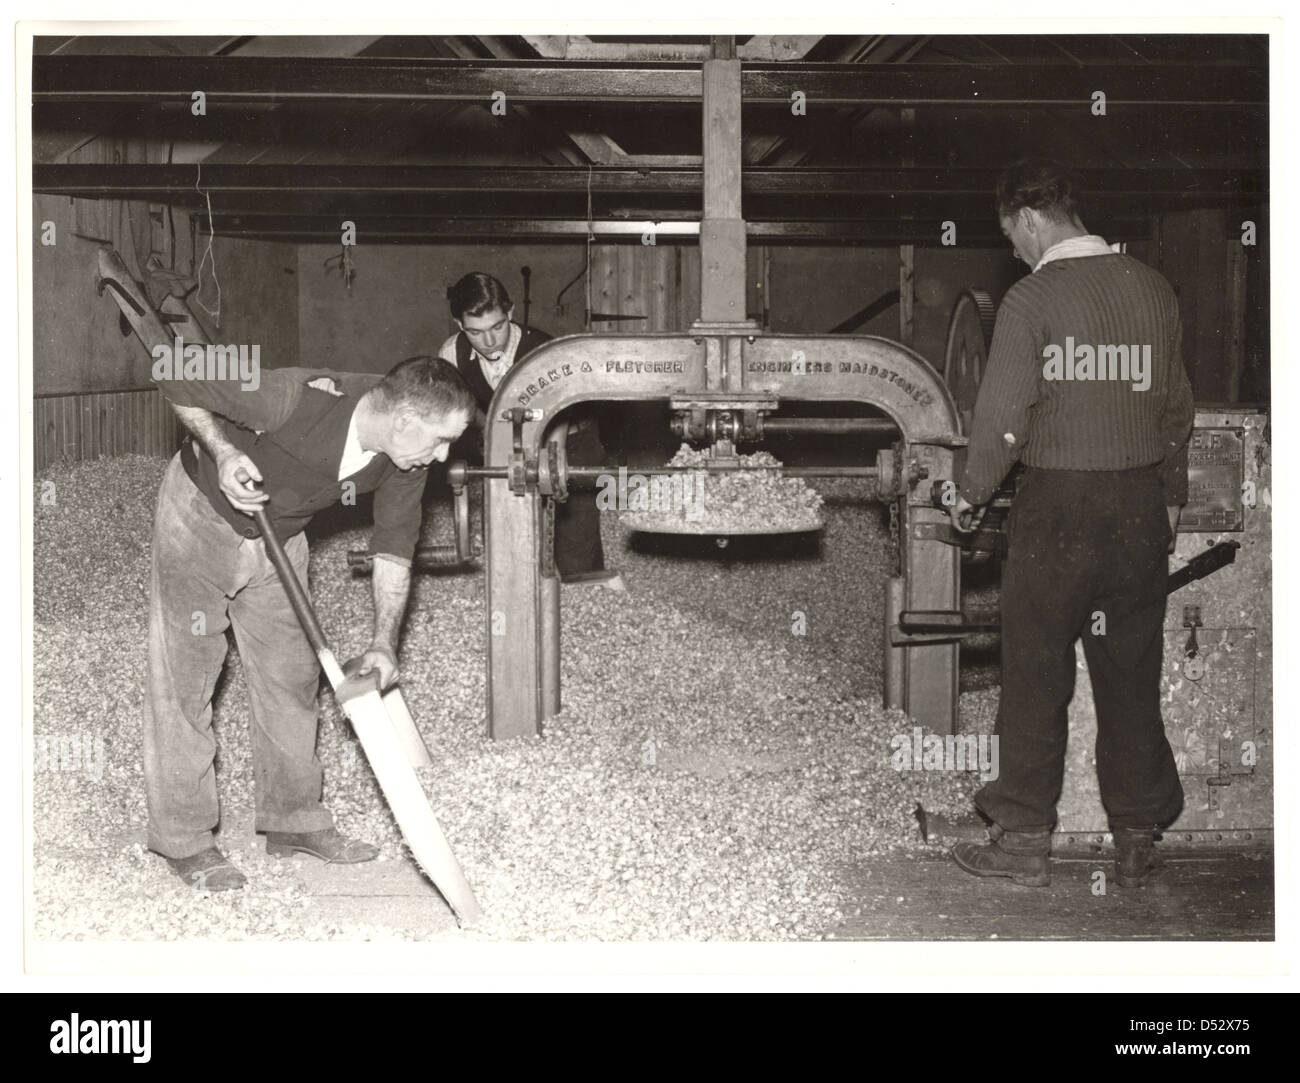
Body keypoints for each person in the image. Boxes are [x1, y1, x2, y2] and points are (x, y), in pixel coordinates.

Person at [948, 158, 1194, 889]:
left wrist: (969, 495)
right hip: (1138, 508)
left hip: (1057, 510)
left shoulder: (1032, 300)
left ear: (1029, 222)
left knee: (1035, 672)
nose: (1016, 252)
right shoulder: (1153, 289)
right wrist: (1169, 495)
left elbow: (1002, 422)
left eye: (1012, 237)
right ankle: (1138, 835)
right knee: (1129, 672)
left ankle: (1023, 840)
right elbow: (1178, 409)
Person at [146, 357, 474, 890]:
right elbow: (174, 377)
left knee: (291, 677)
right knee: (186, 676)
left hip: (282, 531)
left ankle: (292, 820)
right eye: (441, 440)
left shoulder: (403, 460)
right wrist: (224, 451)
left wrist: (382, 642)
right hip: (201, 513)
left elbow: (393, 550)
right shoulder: (293, 396)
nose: (442, 456)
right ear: (404, 420)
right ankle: (185, 839)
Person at [437, 271, 625, 590]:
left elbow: (560, 413)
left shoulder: (543, 350)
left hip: (569, 435)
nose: (490, 340)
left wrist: (553, 461)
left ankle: (591, 589)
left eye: (497, 327)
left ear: (510, 314)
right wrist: (487, 431)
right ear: (459, 325)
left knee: (573, 540)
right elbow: (462, 402)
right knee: (515, 539)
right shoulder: (451, 353)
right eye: (476, 332)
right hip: (511, 435)